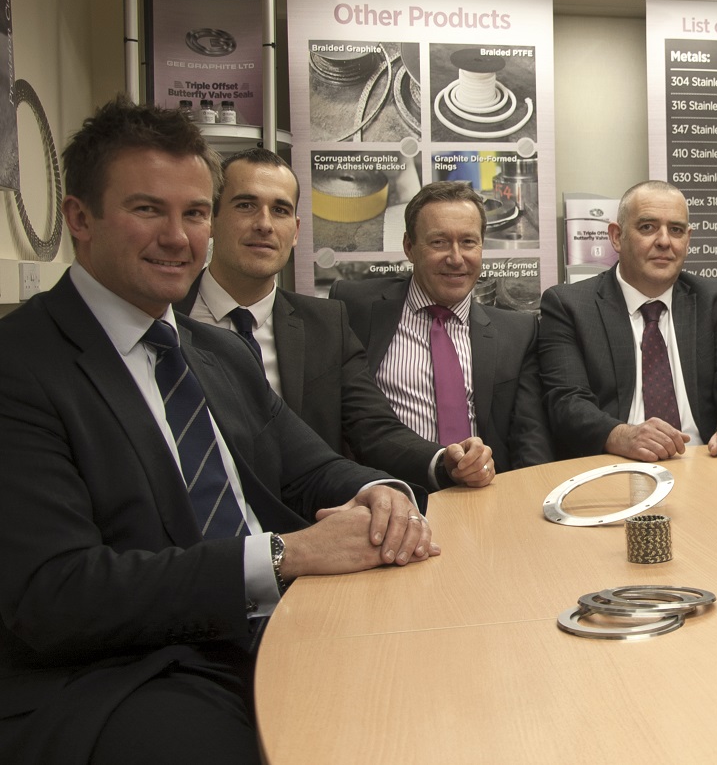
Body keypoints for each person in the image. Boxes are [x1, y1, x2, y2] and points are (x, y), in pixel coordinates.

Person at [0, 98, 435, 765]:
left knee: (441, 683)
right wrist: (284, 555)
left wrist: (381, 492)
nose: (178, 236)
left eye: (195, 213)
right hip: (129, 672)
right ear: (79, 219)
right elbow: (58, 596)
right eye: (148, 209)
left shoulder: (215, 351)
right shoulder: (22, 364)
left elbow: (312, 467)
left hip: (278, 623)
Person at [179, 148, 495, 490]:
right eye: (245, 205)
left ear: (296, 230)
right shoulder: (163, 317)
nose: (265, 224)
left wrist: (443, 462)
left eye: (281, 210)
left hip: (312, 524)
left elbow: (373, 428)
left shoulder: (326, 324)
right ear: (211, 218)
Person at [538, 179, 717, 461]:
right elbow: (566, 401)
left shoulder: (713, 298)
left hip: (706, 461)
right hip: (616, 464)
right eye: (647, 227)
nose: (664, 241)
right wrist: (621, 435)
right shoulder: (569, 305)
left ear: (688, 239)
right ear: (615, 236)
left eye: (676, 230)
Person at [332, 181, 551, 473]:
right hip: (389, 495)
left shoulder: (518, 333)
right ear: (409, 247)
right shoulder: (354, 307)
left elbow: (530, 442)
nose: (456, 258)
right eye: (439, 242)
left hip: (485, 495)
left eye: (468, 242)